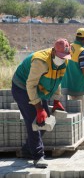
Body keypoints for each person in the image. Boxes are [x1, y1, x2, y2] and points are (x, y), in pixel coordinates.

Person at [11, 38, 71, 168]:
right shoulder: (41, 61)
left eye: (65, 57)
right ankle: (38, 156)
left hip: (36, 87)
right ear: (54, 51)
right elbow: (30, 85)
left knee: (45, 120)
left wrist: (56, 100)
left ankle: (27, 150)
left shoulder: (64, 61)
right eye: (60, 56)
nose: (62, 59)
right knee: (35, 119)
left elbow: (57, 80)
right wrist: (38, 109)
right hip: (21, 87)